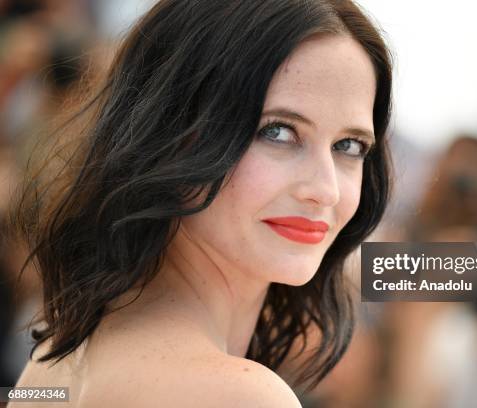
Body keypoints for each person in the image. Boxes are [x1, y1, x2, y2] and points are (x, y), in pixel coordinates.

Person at [9, 0, 392, 406]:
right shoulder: (238, 395)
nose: (326, 189)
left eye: (349, 145)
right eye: (278, 132)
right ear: (169, 133)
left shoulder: (54, 362)